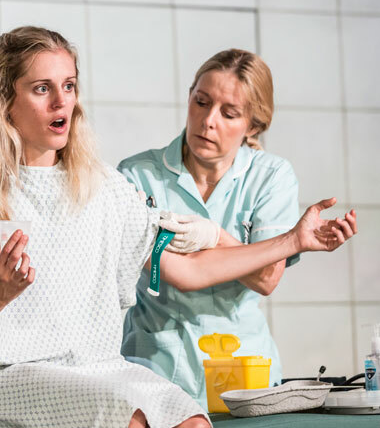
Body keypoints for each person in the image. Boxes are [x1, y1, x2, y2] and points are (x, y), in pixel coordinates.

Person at [0, 27, 355, 428]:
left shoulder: (104, 188)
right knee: (130, 416)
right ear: (4, 100)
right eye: (42, 88)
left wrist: (294, 241)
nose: (62, 101)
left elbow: (190, 271)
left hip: (98, 368)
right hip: (3, 378)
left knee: (191, 420)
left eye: (69, 86)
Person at [118, 48, 357, 408]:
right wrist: (285, 242)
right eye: (201, 102)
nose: (207, 120)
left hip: (246, 375)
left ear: (254, 126)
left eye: (229, 113)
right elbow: (176, 272)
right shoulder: (136, 176)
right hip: (156, 369)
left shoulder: (270, 176)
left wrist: (216, 236)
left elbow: (265, 279)